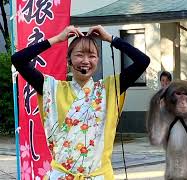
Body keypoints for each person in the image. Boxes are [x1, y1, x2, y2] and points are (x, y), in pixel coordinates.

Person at [11, 25, 150, 179]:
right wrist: (58, 39)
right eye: (79, 55)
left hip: (99, 176)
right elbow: (18, 60)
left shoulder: (110, 89)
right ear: (68, 60)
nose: (85, 61)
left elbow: (143, 61)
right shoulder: (52, 88)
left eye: (92, 56)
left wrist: (111, 38)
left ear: (97, 60)